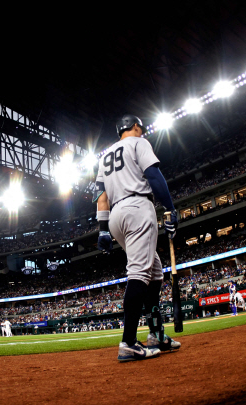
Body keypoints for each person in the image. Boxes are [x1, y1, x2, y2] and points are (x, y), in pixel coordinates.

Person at [95, 114, 181, 362]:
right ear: (134, 126)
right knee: (139, 273)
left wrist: (102, 229)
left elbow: (102, 198)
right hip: (138, 207)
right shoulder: (138, 142)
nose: (141, 131)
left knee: (154, 272)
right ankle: (129, 342)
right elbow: (154, 176)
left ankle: (156, 335)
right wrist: (170, 209)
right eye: (140, 127)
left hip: (116, 218)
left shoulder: (105, 156)